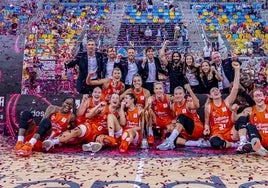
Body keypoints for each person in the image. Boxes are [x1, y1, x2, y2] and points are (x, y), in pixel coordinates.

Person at [42, 93, 122, 153]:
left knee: (104, 140)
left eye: (117, 98)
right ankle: (52, 142)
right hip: (90, 127)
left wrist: (121, 109)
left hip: (99, 134)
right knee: (76, 131)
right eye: (113, 98)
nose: (115, 99)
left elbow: (122, 124)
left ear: (119, 102)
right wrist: (98, 106)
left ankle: (90, 145)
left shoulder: (119, 112)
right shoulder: (103, 107)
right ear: (110, 100)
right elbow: (89, 115)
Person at [203, 61, 252, 153]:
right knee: (215, 143)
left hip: (231, 131)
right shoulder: (208, 106)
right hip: (217, 133)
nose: (216, 91)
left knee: (241, 119)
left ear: (220, 93)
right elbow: (206, 123)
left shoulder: (227, 102)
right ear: (210, 96)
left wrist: (237, 70)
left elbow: (235, 88)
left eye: (217, 90)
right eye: (213, 91)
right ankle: (235, 145)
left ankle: (242, 142)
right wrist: (206, 128)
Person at [157, 84, 208, 150]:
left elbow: (197, 105)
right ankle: (197, 143)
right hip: (185, 132)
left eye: (180, 93)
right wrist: (172, 125)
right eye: (176, 94)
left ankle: (169, 142)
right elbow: (175, 120)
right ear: (174, 95)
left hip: (196, 128)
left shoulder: (188, 103)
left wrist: (190, 91)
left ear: (184, 95)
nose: (178, 96)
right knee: (168, 135)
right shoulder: (173, 106)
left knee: (181, 117)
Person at [233, 89, 268, 156]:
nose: (258, 98)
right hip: (258, 140)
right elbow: (235, 119)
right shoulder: (250, 110)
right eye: (256, 96)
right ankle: (257, 147)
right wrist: (234, 111)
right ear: (253, 98)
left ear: (264, 97)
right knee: (249, 125)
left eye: (260, 96)